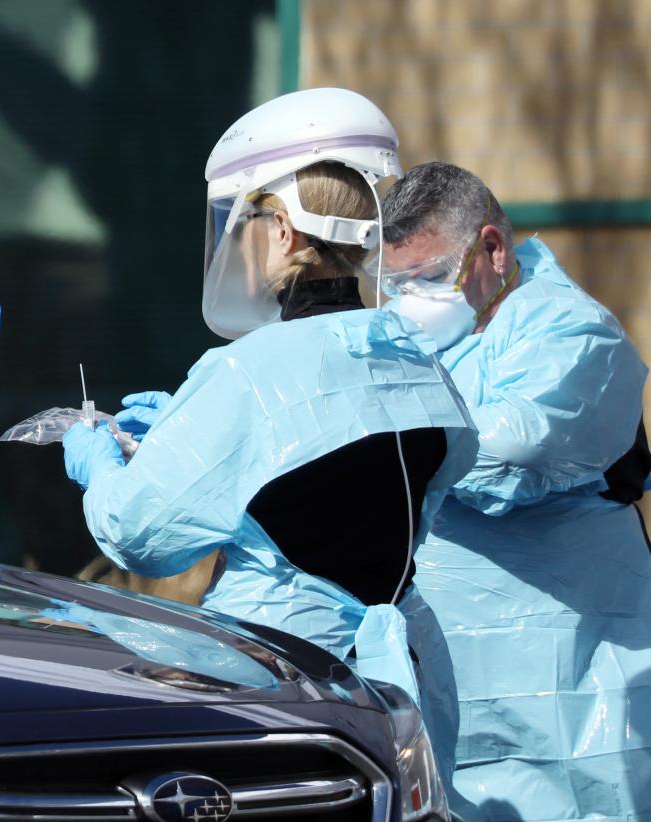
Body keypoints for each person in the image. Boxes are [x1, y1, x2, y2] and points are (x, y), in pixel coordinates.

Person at [61, 88, 476, 696]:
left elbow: (141, 533)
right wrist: (190, 426)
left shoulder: (249, 368)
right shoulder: (411, 354)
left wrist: (101, 470)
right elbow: (357, 472)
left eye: (247, 219)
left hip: (279, 674)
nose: (240, 239)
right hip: (402, 682)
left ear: (283, 229)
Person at [378, 162, 651, 822]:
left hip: (573, 709)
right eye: (393, 283)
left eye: (426, 278)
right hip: (464, 700)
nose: (408, 302)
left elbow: (510, 458)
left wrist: (369, 424)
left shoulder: (573, 334)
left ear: (492, 249)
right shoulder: (443, 343)